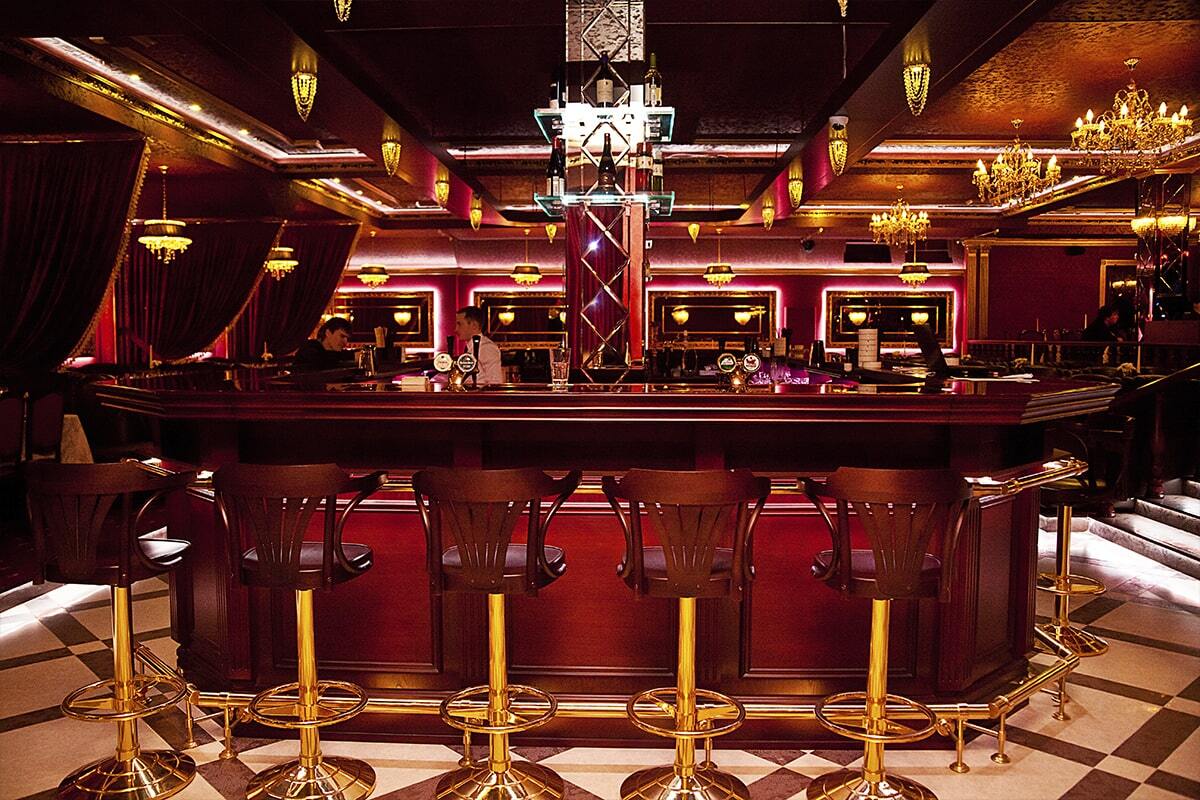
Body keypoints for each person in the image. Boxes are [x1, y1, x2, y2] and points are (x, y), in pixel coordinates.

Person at [454, 306, 503, 386]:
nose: (456, 329)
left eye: (459, 324)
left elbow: (495, 383)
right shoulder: (471, 347)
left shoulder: (487, 347)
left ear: (474, 325)